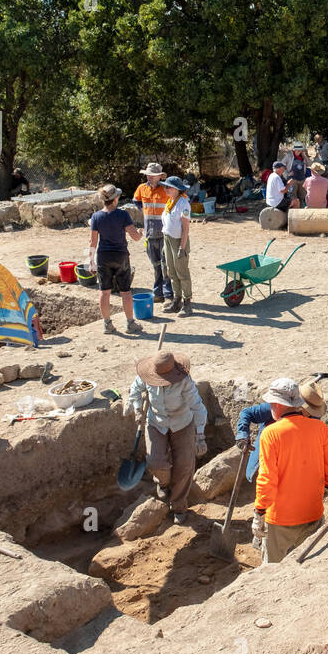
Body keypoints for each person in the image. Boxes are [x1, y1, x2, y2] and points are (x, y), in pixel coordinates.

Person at [251, 379, 328, 564]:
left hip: (280, 519)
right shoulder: (321, 428)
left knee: (272, 572)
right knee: (311, 564)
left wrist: (259, 511)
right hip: (313, 512)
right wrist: (326, 487)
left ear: (277, 404)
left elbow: (267, 478)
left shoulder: (271, 433)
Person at [128, 349, 208, 523]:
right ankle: (163, 483)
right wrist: (136, 409)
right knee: (156, 462)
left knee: (184, 465)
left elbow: (197, 406)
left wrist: (200, 435)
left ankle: (179, 505)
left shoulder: (184, 380)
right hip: (156, 423)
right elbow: (134, 391)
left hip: (182, 423)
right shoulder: (147, 376)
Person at [89, 184, 143, 334]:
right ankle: (130, 323)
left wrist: (91, 261)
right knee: (125, 292)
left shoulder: (96, 217)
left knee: (104, 292)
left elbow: (92, 242)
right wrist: (140, 232)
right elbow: (135, 237)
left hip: (103, 257)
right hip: (121, 256)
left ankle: (107, 324)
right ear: (115, 199)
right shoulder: (123, 215)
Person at [134, 162, 172, 303]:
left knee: (165, 265)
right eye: (148, 175)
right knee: (155, 265)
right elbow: (136, 201)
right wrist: (145, 212)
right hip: (149, 233)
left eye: (152, 175)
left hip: (164, 233)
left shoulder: (167, 189)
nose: (149, 177)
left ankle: (168, 295)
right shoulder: (141, 188)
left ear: (160, 177)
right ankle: (158, 293)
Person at [160, 175, 194, 317]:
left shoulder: (183, 204)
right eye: (165, 186)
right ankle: (177, 300)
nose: (165, 189)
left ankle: (187, 304)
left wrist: (182, 247)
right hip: (168, 239)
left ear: (177, 189)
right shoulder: (171, 201)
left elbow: (185, 228)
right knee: (171, 271)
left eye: (168, 187)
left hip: (179, 240)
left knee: (182, 272)